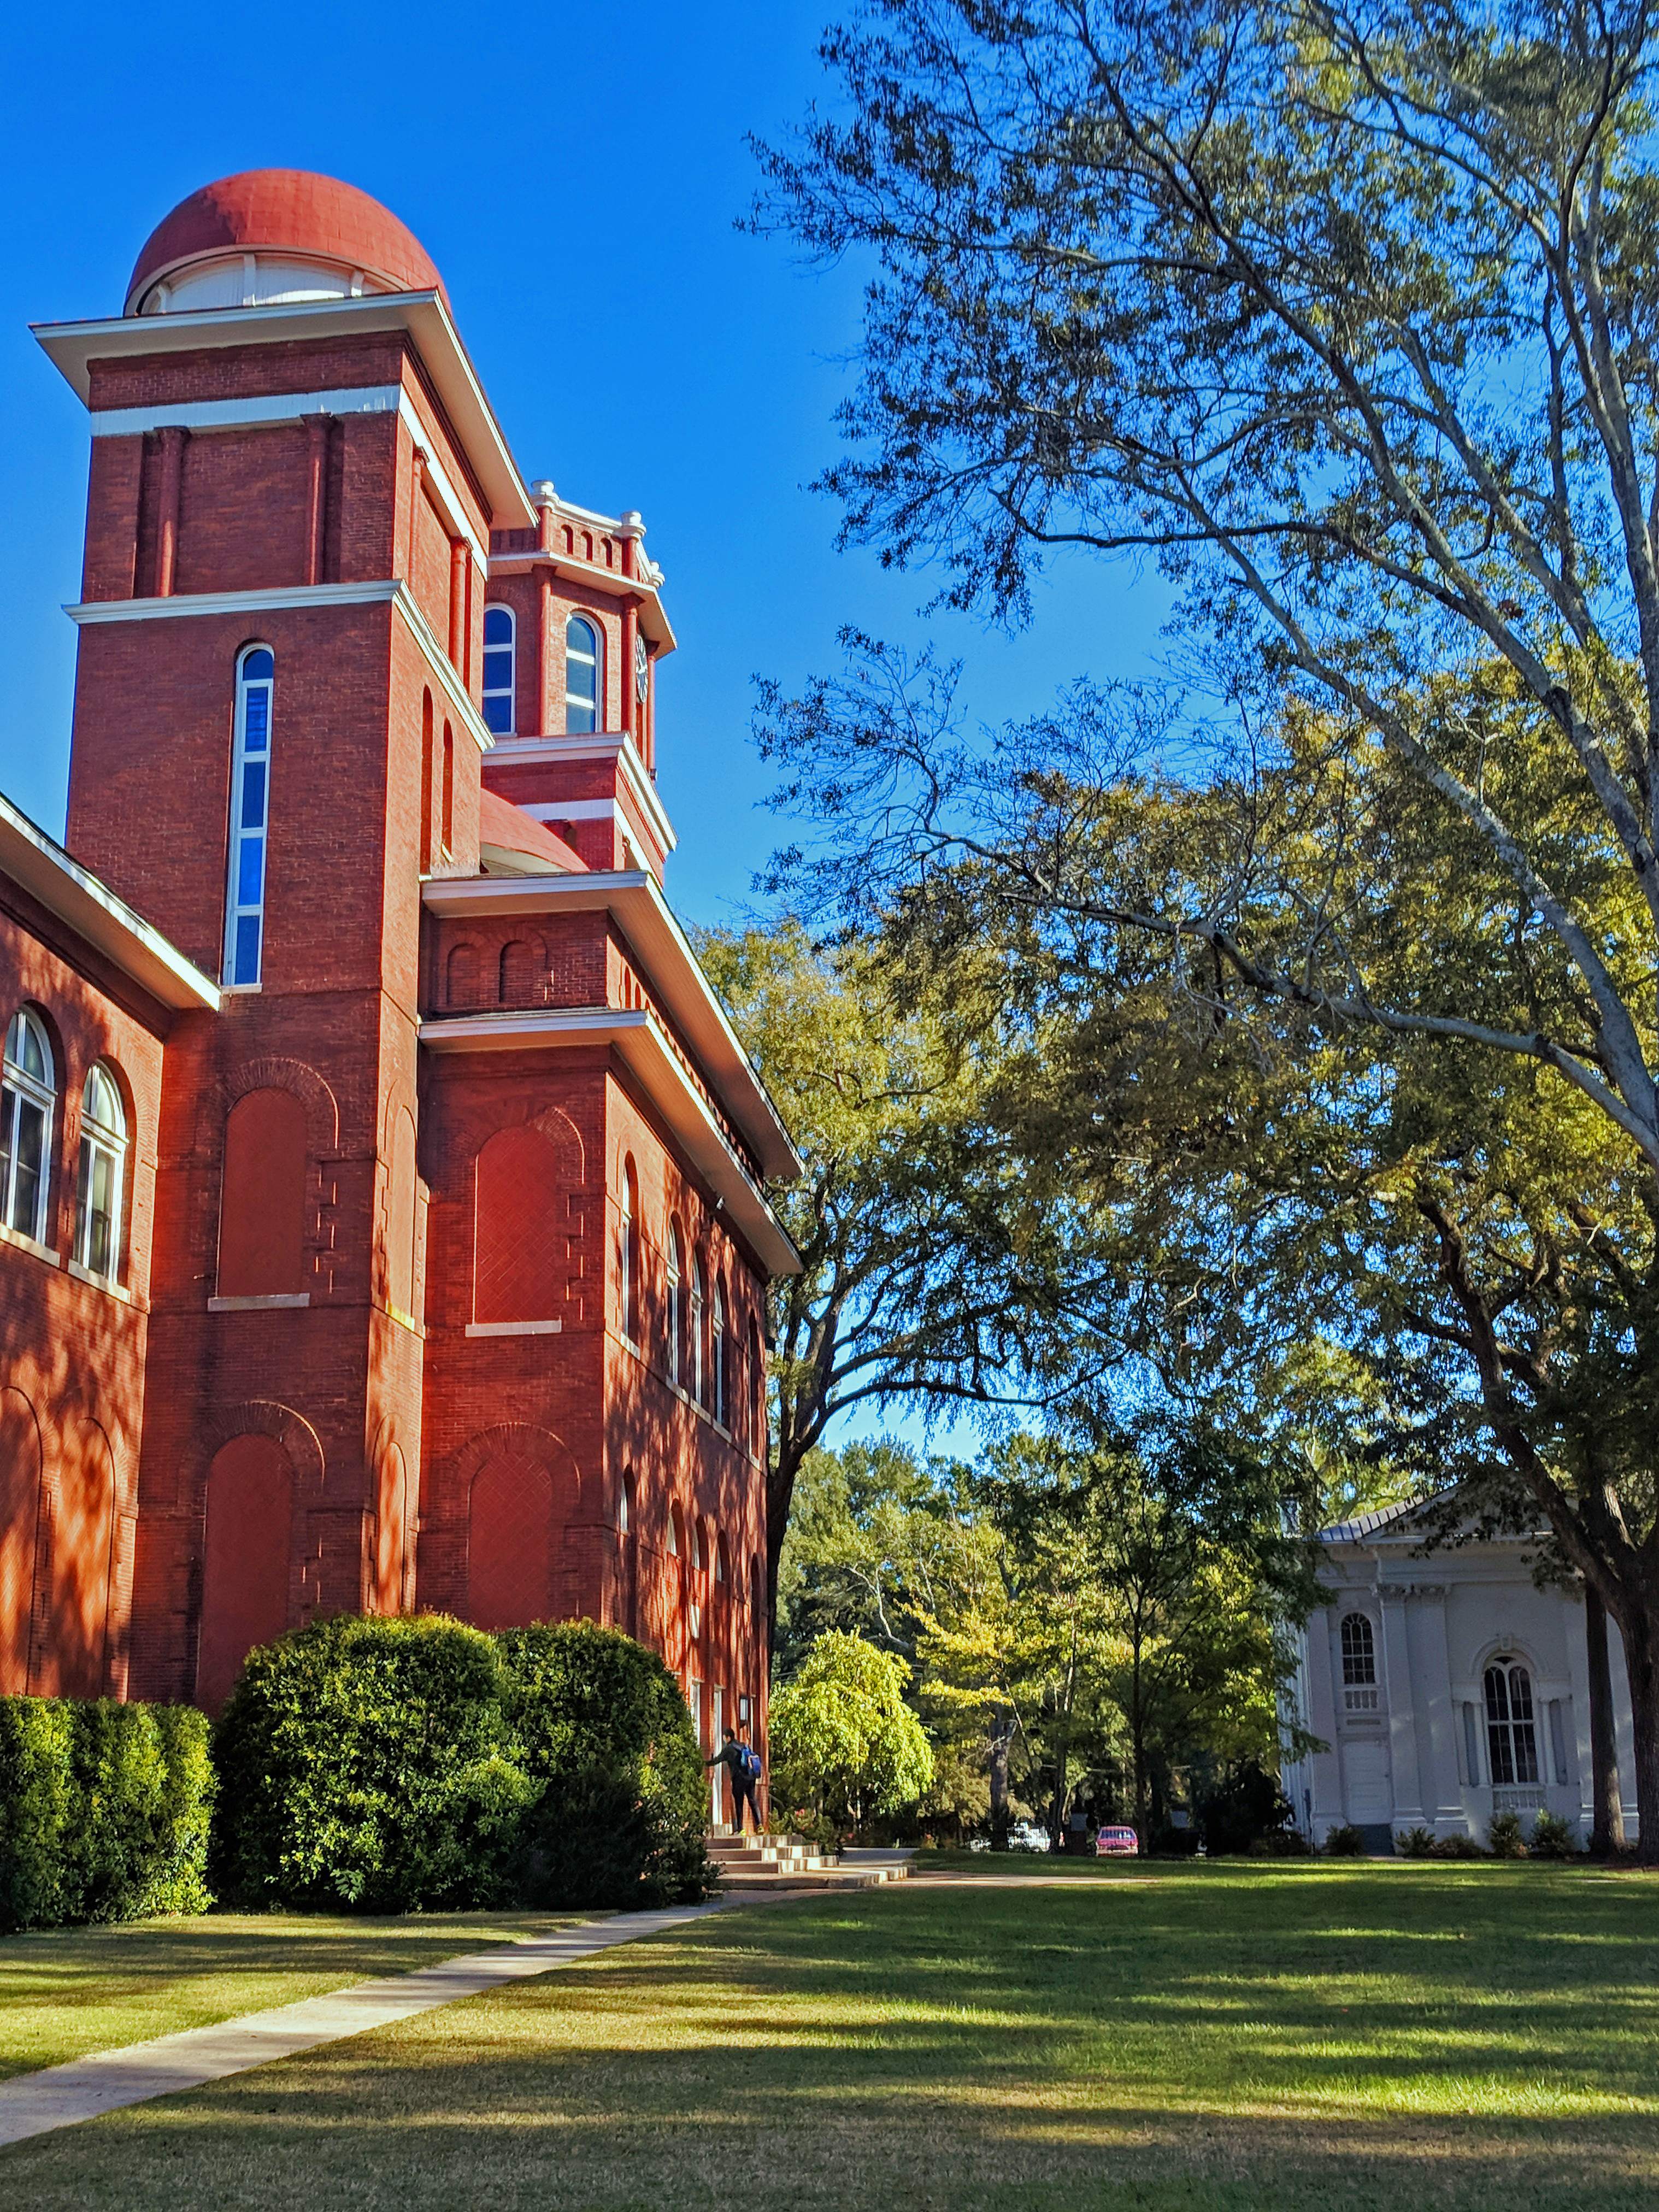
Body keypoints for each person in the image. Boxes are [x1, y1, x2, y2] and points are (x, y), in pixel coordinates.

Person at [707, 1727, 759, 1834]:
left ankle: (740, 1829)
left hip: (739, 1778)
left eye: (724, 1738)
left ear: (728, 1737)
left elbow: (716, 1761)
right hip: (750, 1777)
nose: (724, 1740)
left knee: (739, 1803)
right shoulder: (742, 1746)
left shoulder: (729, 1749)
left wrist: (705, 1763)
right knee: (752, 1800)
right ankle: (760, 1825)